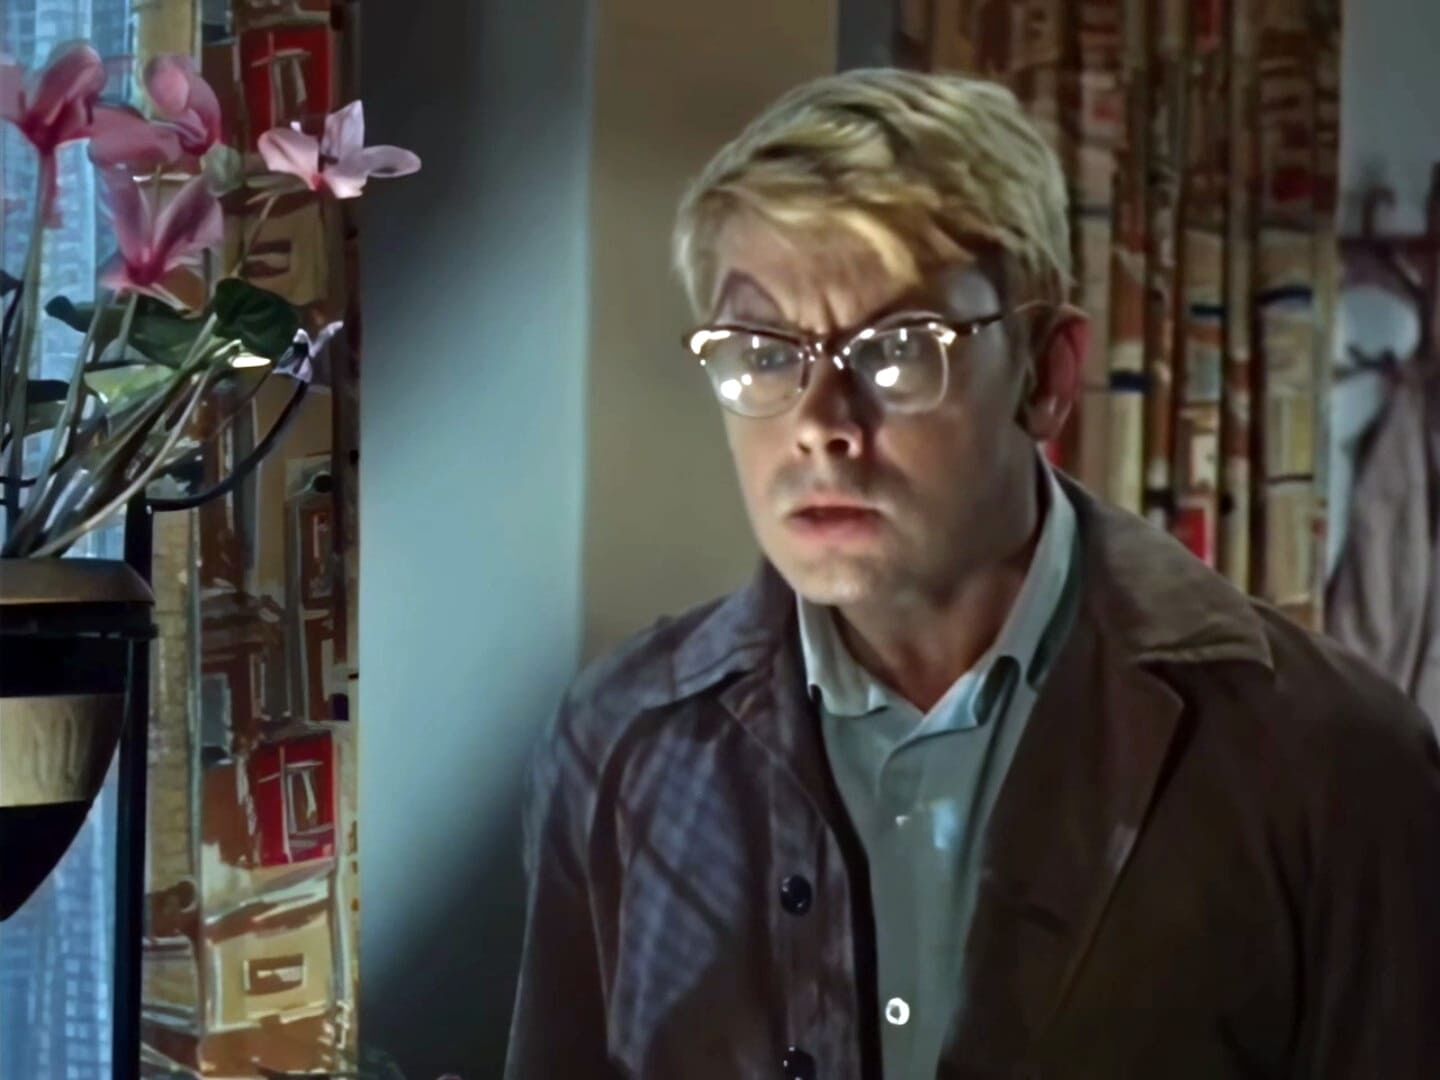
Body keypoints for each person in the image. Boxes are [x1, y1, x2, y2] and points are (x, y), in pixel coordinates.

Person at [503, 68, 1440, 1079]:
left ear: (1046, 375)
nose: (821, 424)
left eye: (900, 348)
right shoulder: (619, 740)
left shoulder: (1328, 758)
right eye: (765, 352)